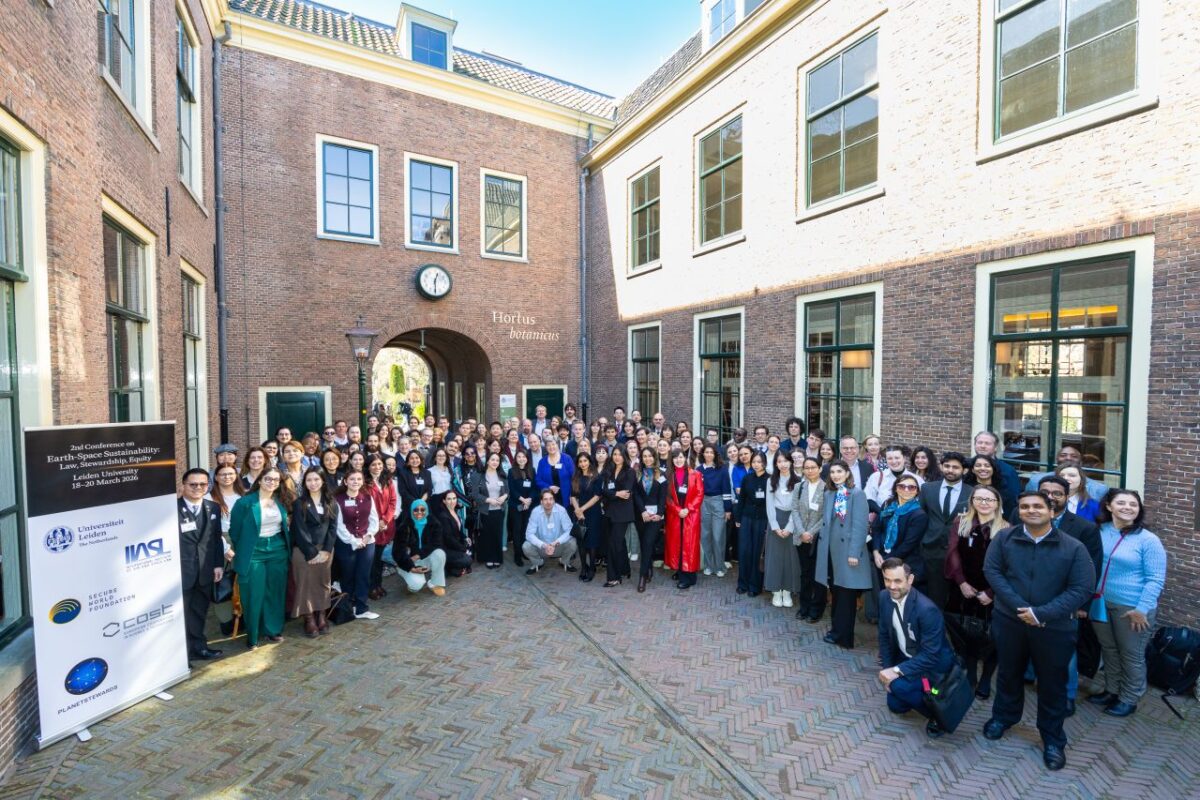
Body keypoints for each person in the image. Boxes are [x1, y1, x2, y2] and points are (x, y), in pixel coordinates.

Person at [982, 491, 1096, 771]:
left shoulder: (1074, 548)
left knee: (1052, 683)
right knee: (1008, 673)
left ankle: (1053, 739)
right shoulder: (1004, 539)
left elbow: (1082, 588)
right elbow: (993, 572)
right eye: (1024, 507)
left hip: (1054, 627)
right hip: (1009, 621)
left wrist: (1041, 614)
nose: (1031, 510)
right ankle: (1004, 717)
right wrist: (1021, 608)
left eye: (1038, 506)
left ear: (1052, 511)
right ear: (1018, 511)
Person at [1088, 490, 1167, 718]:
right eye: (1121, 502)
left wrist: (1142, 609)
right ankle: (1112, 690)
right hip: (1100, 602)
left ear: (1139, 509)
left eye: (1133, 504)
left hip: (1132, 608)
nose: (1127, 507)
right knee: (1109, 649)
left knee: (1131, 654)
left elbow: (1155, 579)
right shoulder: (1099, 531)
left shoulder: (1148, 540)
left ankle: (1129, 698)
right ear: (1109, 506)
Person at [876, 558, 958, 738]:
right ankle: (918, 692)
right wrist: (888, 670)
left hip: (932, 666)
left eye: (897, 581)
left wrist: (895, 672)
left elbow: (931, 656)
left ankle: (937, 714)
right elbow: (884, 637)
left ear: (910, 579)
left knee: (899, 687)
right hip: (908, 657)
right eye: (887, 580)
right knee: (895, 705)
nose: (892, 586)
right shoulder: (883, 597)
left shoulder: (927, 609)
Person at [943, 484, 1002, 699]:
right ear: (972, 501)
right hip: (963, 589)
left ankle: (986, 679)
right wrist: (961, 582)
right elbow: (952, 553)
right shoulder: (961, 522)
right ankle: (970, 676)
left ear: (997, 503)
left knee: (992, 638)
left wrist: (992, 593)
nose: (983, 503)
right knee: (963, 635)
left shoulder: (1007, 529)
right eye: (979, 499)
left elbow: (1009, 565)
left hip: (993, 591)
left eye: (989, 499)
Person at [229, 467, 292, 649]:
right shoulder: (244, 503)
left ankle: (272, 630)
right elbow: (235, 532)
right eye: (268, 479)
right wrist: (244, 548)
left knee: (275, 591)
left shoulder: (280, 500)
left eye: (276, 480)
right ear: (260, 480)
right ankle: (253, 636)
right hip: (253, 552)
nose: (272, 482)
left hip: (277, 549)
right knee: (253, 593)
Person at [815, 459, 870, 649]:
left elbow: (860, 526)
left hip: (848, 552)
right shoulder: (830, 493)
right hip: (831, 552)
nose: (835, 475)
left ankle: (845, 637)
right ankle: (836, 630)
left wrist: (854, 552)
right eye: (832, 472)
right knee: (836, 592)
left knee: (846, 596)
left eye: (839, 471)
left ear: (847, 473)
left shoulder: (857, 494)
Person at [178, 469, 224, 663]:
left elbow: (216, 538)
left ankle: (199, 648)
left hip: (205, 570)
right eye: (193, 484)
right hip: (181, 571)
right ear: (183, 485)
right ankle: (182, 656)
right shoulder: (171, 508)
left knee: (199, 611)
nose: (198, 488)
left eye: (203, 484)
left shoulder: (213, 507)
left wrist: (218, 564)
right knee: (181, 615)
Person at [917, 452, 970, 608]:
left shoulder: (972, 492)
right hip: (930, 550)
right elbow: (921, 518)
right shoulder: (927, 489)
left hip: (958, 552)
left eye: (955, 467)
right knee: (932, 596)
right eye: (947, 466)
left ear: (964, 470)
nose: (950, 470)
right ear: (941, 467)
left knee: (954, 599)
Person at [290, 467, 336, 637]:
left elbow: (333, 528)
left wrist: (326, 550)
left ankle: (322, 615)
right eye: (309, 480)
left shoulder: (331, 502)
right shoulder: (299, 503)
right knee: (305, 584)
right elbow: (299, 530)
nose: (313, 483)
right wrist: (311, 553)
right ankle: (308, 618)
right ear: (304, 483)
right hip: (303, 550)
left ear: (323, 481)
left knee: (323, 583)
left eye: (316, 479)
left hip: (325, 551)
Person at [332, 469, 380, 621]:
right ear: (345, 481)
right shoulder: (337, 499)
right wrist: (354, 541)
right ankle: (348, 607)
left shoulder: (368, 497)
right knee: (347, 576)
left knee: (363, 575)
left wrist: (368, 536)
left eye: (359, 479)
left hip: (367, 542)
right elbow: (339, 525)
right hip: (346, 543)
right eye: (352, 479)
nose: (356, 482)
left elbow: (374, 520)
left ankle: (361, 608)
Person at [870, 475, 927, 585]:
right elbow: (876, 528)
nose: (906, 490)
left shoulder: (919, 514)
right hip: (880, 559)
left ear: (917, 491)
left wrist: (886, 560)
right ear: (895, 488)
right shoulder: (887, 505)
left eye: (911, 487)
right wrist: (876, 552)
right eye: (902, 486)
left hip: (904, 565)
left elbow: (908, 544)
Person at [790, 457, 826, 623]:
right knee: (805, 573)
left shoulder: (827, 488)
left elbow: (826, 516)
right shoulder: (799, 487)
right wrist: (802, 532)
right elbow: (794, 510)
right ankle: (804, 606)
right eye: (807, 468)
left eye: (813, 467)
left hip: (818, 538)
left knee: (818, 575)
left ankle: (816, 609)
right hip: (801, 537)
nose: (810, 470)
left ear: (820, 468)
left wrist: (810, 532)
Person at [764, 452, 802, 608]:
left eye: (786, 461)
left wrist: (790, 527)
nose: (783, 464)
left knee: (790, 558)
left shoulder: (798, 481)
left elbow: (798, 506)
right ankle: (776, 591)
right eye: (779, 461)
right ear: (776, 464)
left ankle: (787, 591)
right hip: (775, 519)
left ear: (791, 462)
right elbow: (769, 503)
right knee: (774, 557)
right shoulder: (771, 480)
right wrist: (774, 525)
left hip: (792, 520)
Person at [209, 463, 243, 634]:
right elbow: (210, 527)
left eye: (230, 474)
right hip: (221, 540)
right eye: (222, 474)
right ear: (216, 477)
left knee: (240, 581)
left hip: (242, 539)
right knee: (223, 582)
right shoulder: (209, 497)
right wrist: (225, 548)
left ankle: (240, 617)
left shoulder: (242, 495)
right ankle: (226, 622)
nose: (227, 477)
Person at [664, 450, 703, 590]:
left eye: (680, 457)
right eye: (675, 458)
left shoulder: (695, 474)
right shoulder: (668, 475)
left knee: (689, 545)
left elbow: (699, 494)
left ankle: (688, 576)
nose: (678, 460)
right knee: (677, 544)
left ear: (685, 458)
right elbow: (667, 497)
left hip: (690, 515)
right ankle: (680, 570)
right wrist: (677, 510)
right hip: (675, 515)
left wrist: (688, 509)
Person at [393, 499, 448, 597]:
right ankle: (412, 583)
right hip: (407, 561)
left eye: (422, 510)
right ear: (411, 511)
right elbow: (398, 551)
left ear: (426, 510)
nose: (419, 512)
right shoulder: (404, 527)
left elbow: (437, 544)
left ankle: (435, 583)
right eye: (416, 510)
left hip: (423, 557)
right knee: (416, 585)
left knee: (440, 553)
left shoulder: (434, 524)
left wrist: (418, 555)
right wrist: (411, 567)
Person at [736, 451, 769, 597]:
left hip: (762, 519)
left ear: (764, 463)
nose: (756, 464)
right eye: (754, 462)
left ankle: (755, 586)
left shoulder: (770, 479)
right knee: (744, 551)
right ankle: (742, 583)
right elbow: (741, 499)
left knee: (757, 552)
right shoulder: (747, 478)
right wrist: (738, 519)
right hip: (747, 518)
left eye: (759, 462)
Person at [634, 447, 667, 593]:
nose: (647, 459)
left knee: (648, 542)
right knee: (644, 544)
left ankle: (642, 577)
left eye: (650, 456)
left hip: (655, 517)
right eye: (645, 456)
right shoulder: (638, 473)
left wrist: (659, 514)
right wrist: (642, 511)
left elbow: (663, 496)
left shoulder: (661, 474)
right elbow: (636, 494)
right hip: (641, 515)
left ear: (655, 457)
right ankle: (648, 569)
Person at [602, 447, 637, 586]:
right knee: (619, 542)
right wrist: (616, 493)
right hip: (610, 511)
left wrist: (612, 493)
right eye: (614, 454)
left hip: (623, 513)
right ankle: (624, 569)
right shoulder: (608, 471)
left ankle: (613, 577)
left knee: (613, 543)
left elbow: (626, 493)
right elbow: (603, 490)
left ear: (625, 456)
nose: (617, 457)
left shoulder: (630, 472)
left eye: (620, 454)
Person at [364, 454, 397, 600]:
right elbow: (365, 505)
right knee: (372, 561)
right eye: (373, 465)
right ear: (368, 467)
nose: (377, 467)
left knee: (380, 559)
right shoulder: (364, 483)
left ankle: (378, 585)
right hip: (372, 527)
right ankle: (371, 587)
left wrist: (385, 520)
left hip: (386, 526)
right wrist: (377, 522)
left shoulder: (388, 480)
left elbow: (393, 501)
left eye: (379, 464)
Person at [696, 444, 732, 577]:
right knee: (705, 536)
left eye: (711, 452)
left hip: (718, 502)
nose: (709, 454)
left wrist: (727, 509)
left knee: (718, 536)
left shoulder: (722, 469)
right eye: (706, 452)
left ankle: (719, 566)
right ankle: (709, 565)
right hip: (703, 502)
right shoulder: (698, 470)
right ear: (703, 454)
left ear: (716, 454)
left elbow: (727, 489)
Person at [524, 489, 579, 574]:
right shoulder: (535, 512)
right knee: (526, 546)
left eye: (551, 499)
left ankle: (564, 562)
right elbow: (529, 534)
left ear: (554, 500)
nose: (548, 502)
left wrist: (556, 542)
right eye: (545, 499)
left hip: (558, 546)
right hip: (542, 547)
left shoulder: (561, 510)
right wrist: (543, 545)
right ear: (541, 501)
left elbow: (570, 530)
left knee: (573, 542)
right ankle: (538, 563)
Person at [570, 452, 604, 582]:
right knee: (581, 541)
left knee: (592, 541)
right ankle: (584, 567)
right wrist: (577, 510)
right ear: (578, 464)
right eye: (580, 461)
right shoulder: (576, 477)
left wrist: (582, 509)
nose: (583, 463)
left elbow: (597, 496)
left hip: (593, 512)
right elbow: (573, 496)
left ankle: (592, 569)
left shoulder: (596, 477)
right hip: (579, 513)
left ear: (589, 461)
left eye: (585, 461)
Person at [473, 452, 508, 568]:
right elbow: (474, 494)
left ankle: (497, 558)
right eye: (492, 459)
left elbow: (507, 491)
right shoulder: (479, 475)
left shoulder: (502, 475)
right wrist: (488, 500)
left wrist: (504, 497)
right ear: (487, 461)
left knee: (497, 534)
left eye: (497, 460)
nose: (495, 462)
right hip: (485, 510)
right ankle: (488, 558)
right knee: (487, 535)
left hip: (499, 510)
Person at [864, 446, 923, 513]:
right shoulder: (876, 477)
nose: (894, 461)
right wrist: (883, 514)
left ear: (904, 458)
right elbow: (869, 499)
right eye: (890, 458)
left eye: (897, 458)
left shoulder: (917, 480)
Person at [972, 430, 1021, 506]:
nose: (982, 446)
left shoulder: (1008, 470)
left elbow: (1013, 500)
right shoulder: (967, 466)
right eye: (980, 442)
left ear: (995, 447)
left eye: (987, 443)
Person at [506, 449, 537, 568]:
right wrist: (522, 499)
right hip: (516, 505)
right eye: (519, 457)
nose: (521, 459)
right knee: (517, 530)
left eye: (523, 457)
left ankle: (524, 551)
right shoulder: (511, 471)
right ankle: (517, 555)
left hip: (529, 504)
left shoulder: (532, 470)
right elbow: (511, 489)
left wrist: (529, 499)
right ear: (516, 458)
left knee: (525, 529)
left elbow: (535, 488)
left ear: (527, 458)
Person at [437, 491, 473, 576]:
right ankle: (448, 566)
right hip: (447, 547)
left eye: (454, 498)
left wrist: (465, 537)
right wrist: (463, 549)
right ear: (444, 501)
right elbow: (449, 539)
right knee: (468, 560)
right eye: (449, 499)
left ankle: (456, 569)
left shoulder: (454, 511)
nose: (452, 501)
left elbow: (457, 530)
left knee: (470, 551)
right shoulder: (443, 516)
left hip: (455, 544)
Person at [536, 439, 575, 509]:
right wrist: (549, 487)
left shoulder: (567, 458)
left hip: (566, 497)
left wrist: (572, 495)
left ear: (557, 445)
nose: (551, 447)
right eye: (548, 445)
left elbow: (574, 478)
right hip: (549, 499)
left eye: (553, 444)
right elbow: (538, 480)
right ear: (546, 447)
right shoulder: (542, 462)